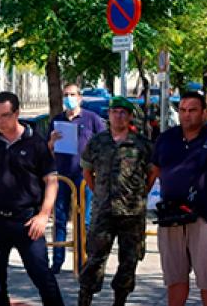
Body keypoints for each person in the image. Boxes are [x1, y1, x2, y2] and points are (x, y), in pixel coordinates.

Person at [0, 92, 64, 306]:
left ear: (17, 113)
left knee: (42, 276)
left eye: (5, 115)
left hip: (27, 221)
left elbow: (52, 181)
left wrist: (43, 215)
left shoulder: (36, 143)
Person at [78, 96, 156, 306]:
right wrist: (99, 192)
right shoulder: (98, 142)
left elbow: (152, 172)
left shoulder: (141, 144)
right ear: (109, 115)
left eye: (123, 112)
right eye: (115, 112)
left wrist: (140, 193)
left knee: (129, 261)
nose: (118, 116)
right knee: (95, 258)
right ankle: (84, 299)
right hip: (103, 211)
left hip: (132, 213)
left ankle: (120, 301)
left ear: (130, 116)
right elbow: (87, 171)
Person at [150, 92, 207, 306]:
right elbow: (153, 171)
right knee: (175, 280)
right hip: (171, 217)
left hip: (206, 218)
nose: (186, 115)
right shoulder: (166, 138)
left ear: (204, 113)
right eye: (182, 110)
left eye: (192, 110)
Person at [46, 83, 105, 274]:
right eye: (66, 95)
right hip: (62, 177)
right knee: (60, 219)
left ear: (80, 97)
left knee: (84, 221)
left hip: (84, 176)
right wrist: (52, 142)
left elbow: (104, 143)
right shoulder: (57, 120)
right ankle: (57, 261)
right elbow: (47, 150)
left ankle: (83, 259)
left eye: (72, 94)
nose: (69, 98)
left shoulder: (91, 118)